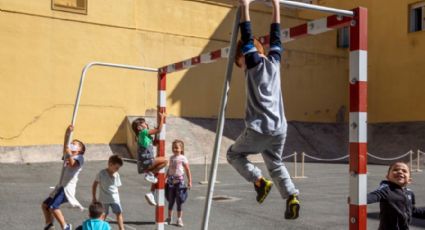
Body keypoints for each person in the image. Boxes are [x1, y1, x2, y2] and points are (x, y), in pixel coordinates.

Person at [226, 0, 300, 220]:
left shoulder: (253, 64)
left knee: (233, 154)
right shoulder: (274, 62)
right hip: (280, 128)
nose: (240, 67)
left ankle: (259, 181)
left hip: (260, 127)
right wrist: (276, 5)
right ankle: (291, 197)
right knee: (275, 163)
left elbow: (246, 34)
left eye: (239, 62)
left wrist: (245, 6)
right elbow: (277, 37)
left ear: (244, 56)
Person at [41, 125, 86, 230]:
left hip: (67, 188)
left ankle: (66, 226)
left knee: (53, 207)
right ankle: (49, 224)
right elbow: (65, 146)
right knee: (45, 205)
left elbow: (72, 164)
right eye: (72, 144)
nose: (72, 145)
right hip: (60, 186)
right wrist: (67, 133)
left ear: (80, 150)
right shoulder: (68, 154)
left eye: (75, 144)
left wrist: (69, 152)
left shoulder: (80, 158)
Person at [367, 162, 425, 229]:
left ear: (409, 180)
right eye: (395, 170)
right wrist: (356, 199)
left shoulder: (409, 192)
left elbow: (411, 210)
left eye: (404, 171)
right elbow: (374, 195)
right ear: (387, 177)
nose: (400, 172)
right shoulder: (386, 190)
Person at [131, 112, 168, 205]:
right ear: (139, 127)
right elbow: (159, 129)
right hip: (147, 161)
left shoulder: (145, 136)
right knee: (165, 160)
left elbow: (155, 143)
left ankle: (151, 191)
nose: (146, 124)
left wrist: (155, 134)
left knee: (157, 173)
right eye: (144, 123)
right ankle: (150, 173)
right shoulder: (143, 133)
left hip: (145, 163)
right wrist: (162, 118)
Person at [92, 155, 124, 230]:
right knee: (102, 215)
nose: (117, 170)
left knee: (119, 213)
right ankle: (98, 228)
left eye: (118, 168)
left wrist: (117, 197)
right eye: (116, 168)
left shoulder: (116, 175)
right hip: (103, 199)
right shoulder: (101, 173)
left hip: (115, 199)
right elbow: (95, 184)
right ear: (110, 164)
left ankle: (122, 229)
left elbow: (117, 186)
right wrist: (94, 197)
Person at [165, 140, 192, 227]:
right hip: (171, 181)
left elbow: (187, 170)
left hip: (180, 182)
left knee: (179, 201)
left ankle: (179, 219)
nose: (175, 149)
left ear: (181, 149)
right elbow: (169, 169)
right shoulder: (171, 157)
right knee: (171, 200)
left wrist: (190, 181)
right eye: (173, 147)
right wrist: (165, 178)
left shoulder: (183, 158)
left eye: (177, 147)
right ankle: (169, 218)